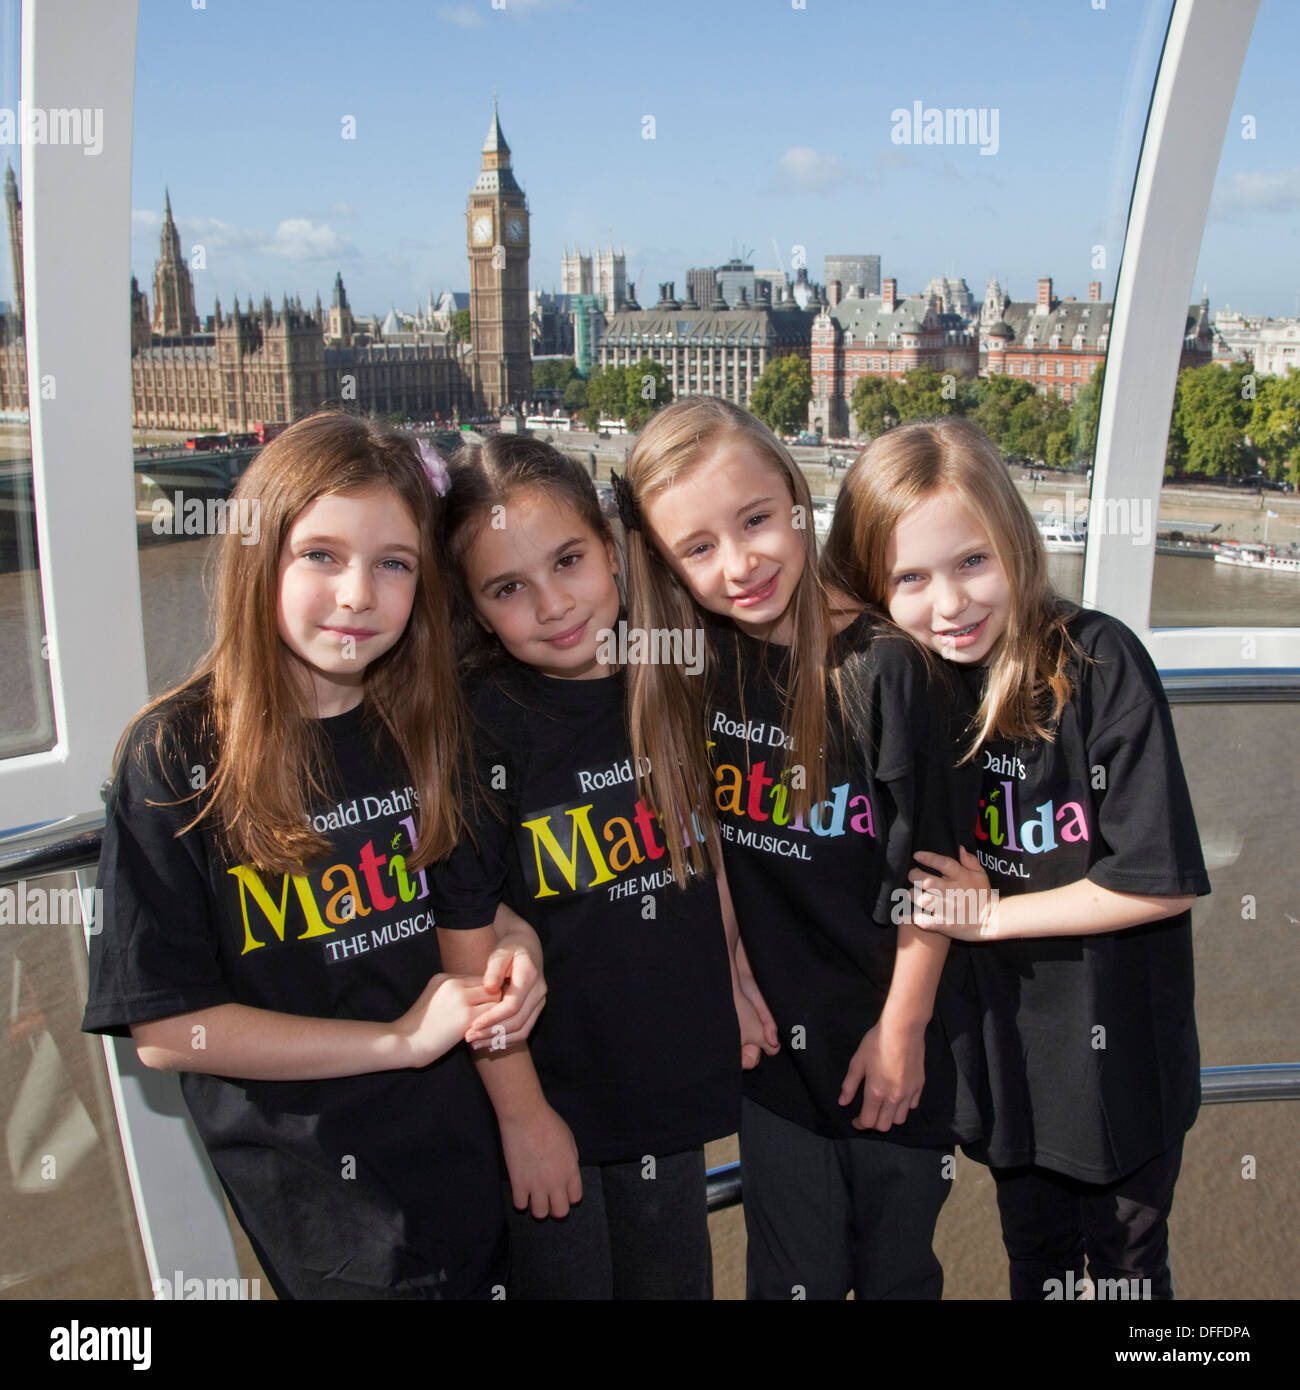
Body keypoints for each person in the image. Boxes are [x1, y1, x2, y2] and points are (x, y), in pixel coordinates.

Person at [83, 411, 542, 1300]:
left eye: (393, 564)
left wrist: (521, 953)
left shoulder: (427, 726)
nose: (358, 594)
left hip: (468, 1154)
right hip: (330, 1202)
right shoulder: (177, 757)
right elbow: (171, 1029)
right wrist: (400, 1042)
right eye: (321, 555)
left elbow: (471, 904)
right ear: (261, 559)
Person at [826, 416, 1210, 1300]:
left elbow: (1155, 880)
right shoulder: (911, 687)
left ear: (1016, 541)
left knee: (1126, 1266)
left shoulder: (1098, 662)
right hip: (1001, 1056)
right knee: (1033, 1259)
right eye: (910, 579)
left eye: (972, 562)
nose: (950, 605)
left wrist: (991, 914)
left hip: (1117, 1053)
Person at [621, 397, 982, 1301]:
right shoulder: (698, 663)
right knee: (789, 1275)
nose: (738, 565)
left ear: (796, 498)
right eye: (695, 549)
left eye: (753, 521)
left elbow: (928, 877)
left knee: (897, 1272)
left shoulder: (886, 668)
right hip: (770, 1056)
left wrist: (901, 1032)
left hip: (891, 1041)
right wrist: (733, 965)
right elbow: (706, 833)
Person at [429, 434, 751, 1300]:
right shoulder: (484, 725)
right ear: (475, 608)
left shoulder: (668, 674)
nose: (553, 603)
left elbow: (702, 848)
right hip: (556, 1091)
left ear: (612, 550)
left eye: (569, 560)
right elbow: (464, 929)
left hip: (663, 1077)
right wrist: (523, 1116)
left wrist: (737, 972)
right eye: (509, 588)